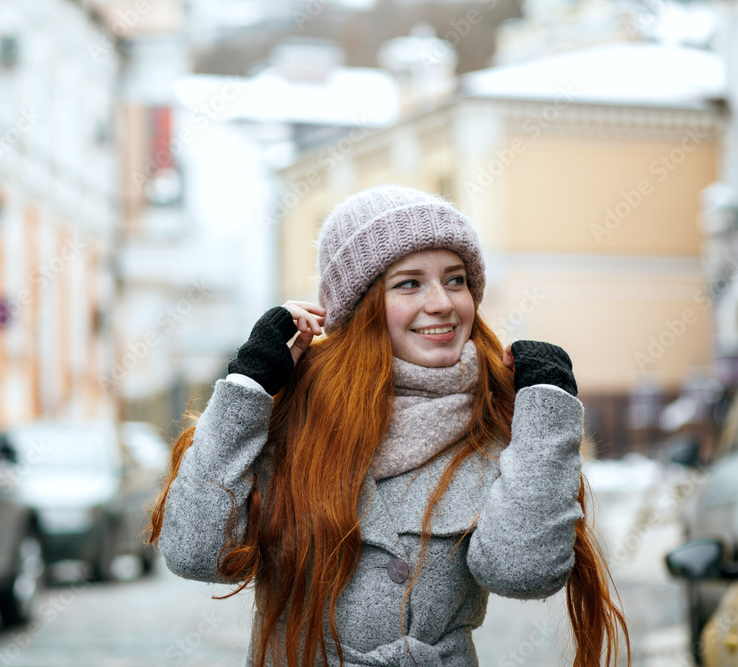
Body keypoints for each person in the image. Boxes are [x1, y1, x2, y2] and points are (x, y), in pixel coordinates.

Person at [147, 184, 630, 667]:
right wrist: (248, 386)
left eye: (456, 279)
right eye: (409, 283)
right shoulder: (292, 414)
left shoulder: (496, 419)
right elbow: (196, 553)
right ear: (359, 307)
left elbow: (522, 572)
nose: (442, 302)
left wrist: (547, 410)